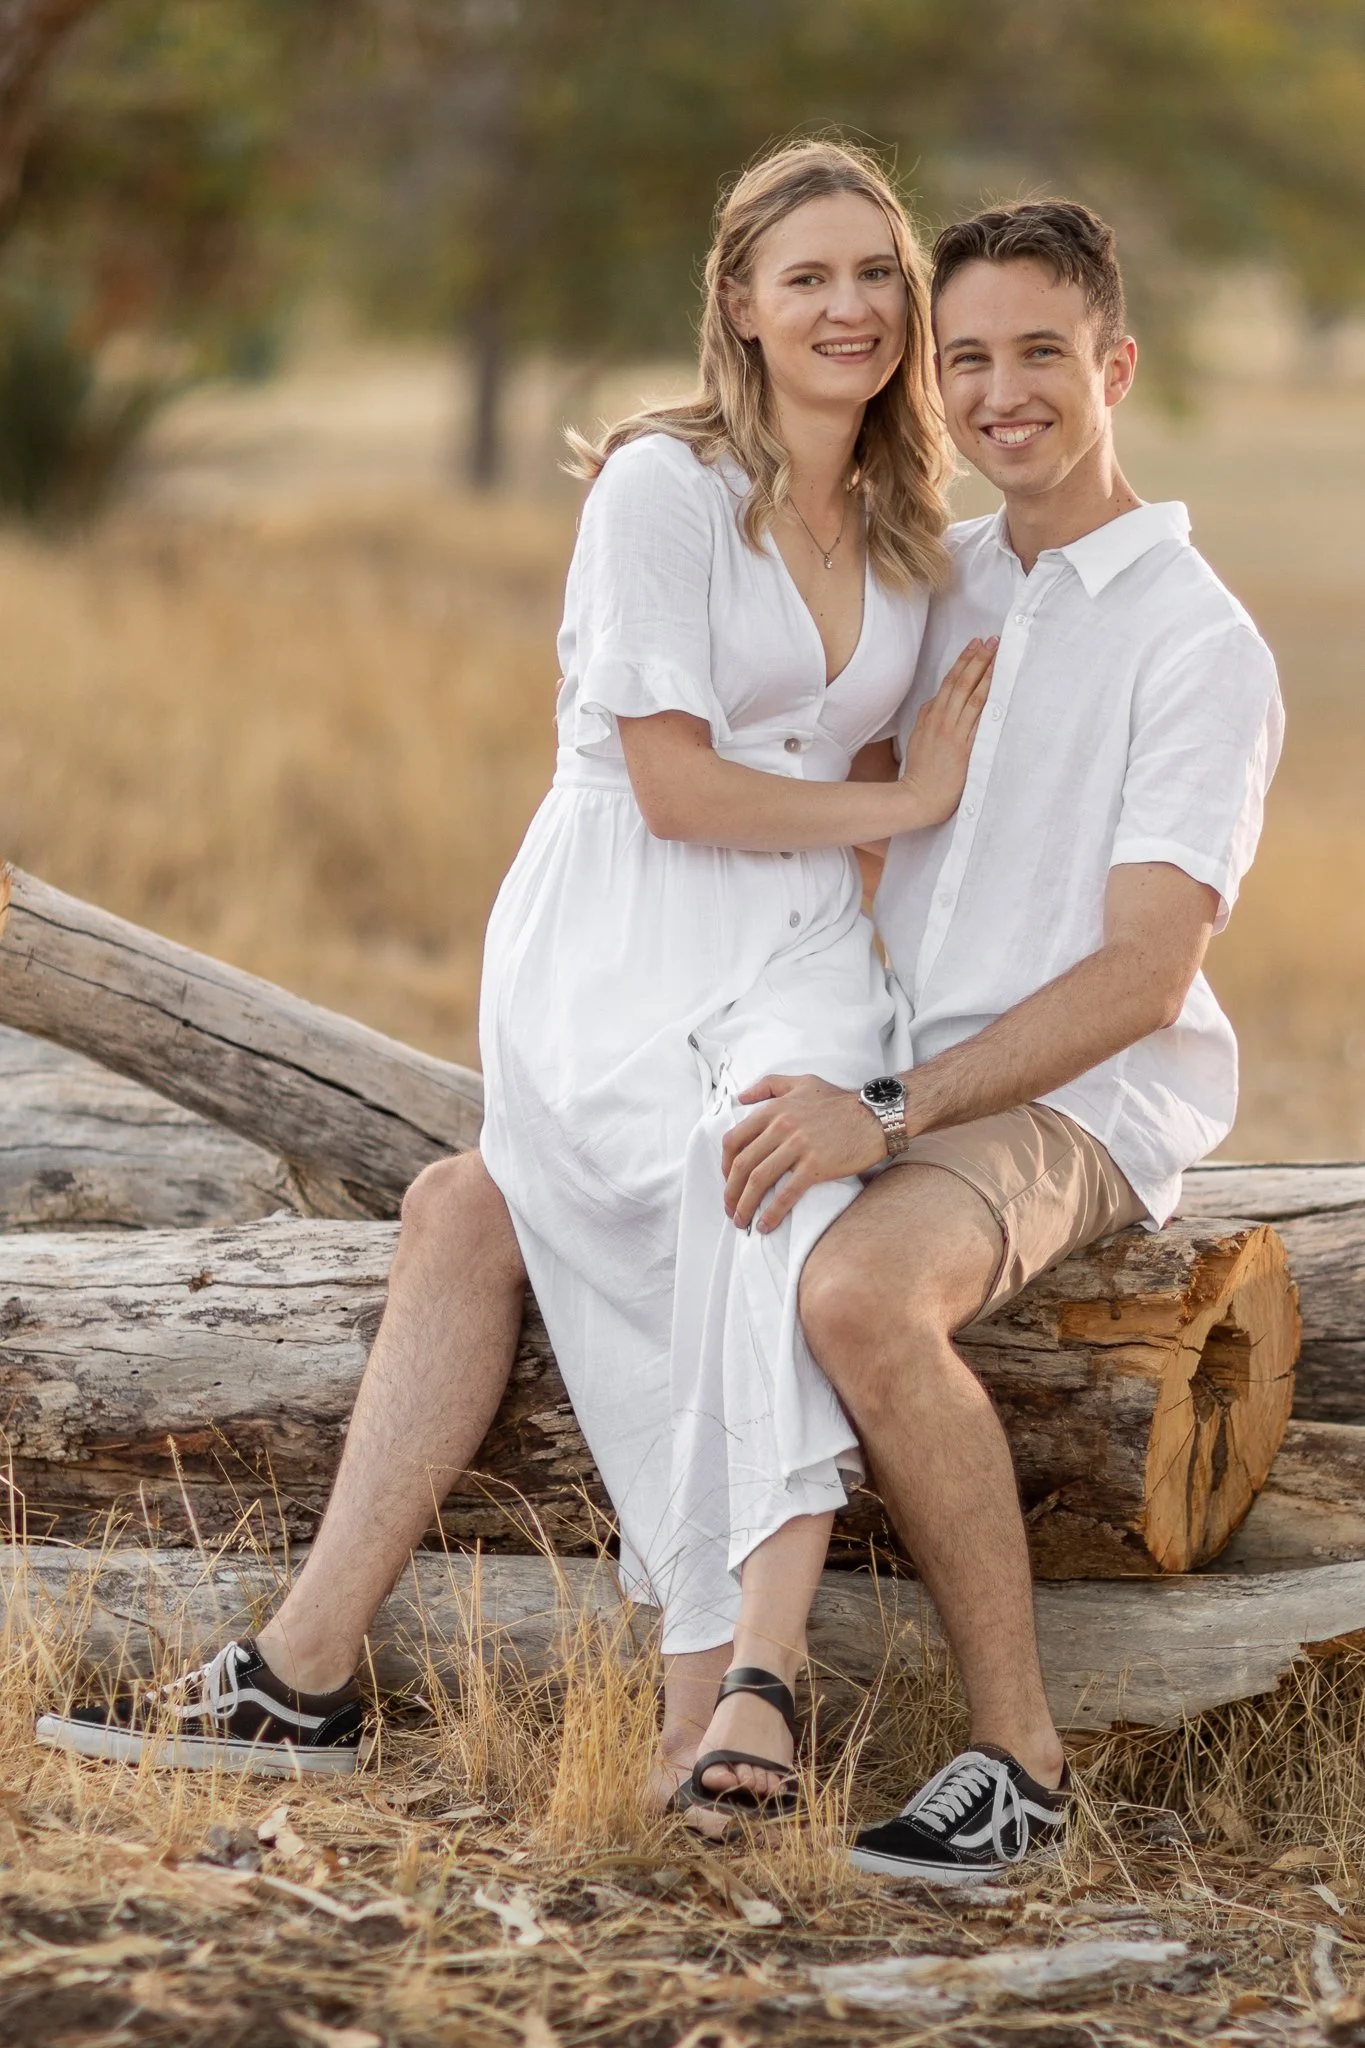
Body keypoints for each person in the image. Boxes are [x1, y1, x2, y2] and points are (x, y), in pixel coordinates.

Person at [37, 191, 1283, 1887]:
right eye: (970, 352)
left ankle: (1014, 1757)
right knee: (468, 1206)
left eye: (1043, 356)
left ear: (1117, 365)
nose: (1003, 393)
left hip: (1060, 1092)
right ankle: (304, 1669)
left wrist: (887, 1104)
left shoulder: (1197, 640)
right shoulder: (951, 565)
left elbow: (1144, 977)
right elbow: (836, 810)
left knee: (842, 1275)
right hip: (855, 1027)